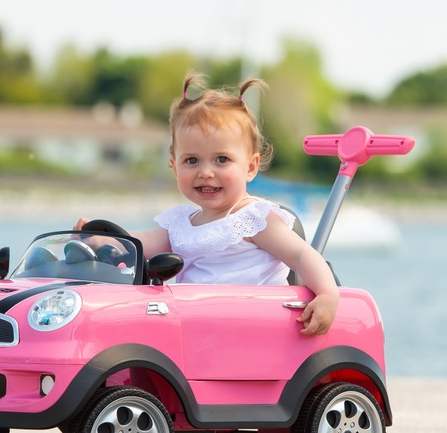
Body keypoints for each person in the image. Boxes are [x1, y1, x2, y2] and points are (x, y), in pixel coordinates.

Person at [75, 73, 339, 335]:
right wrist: (104, 239)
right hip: (199, 329)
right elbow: (140, 242)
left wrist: (327, 294)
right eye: (192, 161)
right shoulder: (181, 223)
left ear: (250, 166)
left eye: (221, 160)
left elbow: (302, 255)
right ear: (174, 167)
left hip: (256, 329)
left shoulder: (252, 218)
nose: (206, 172)